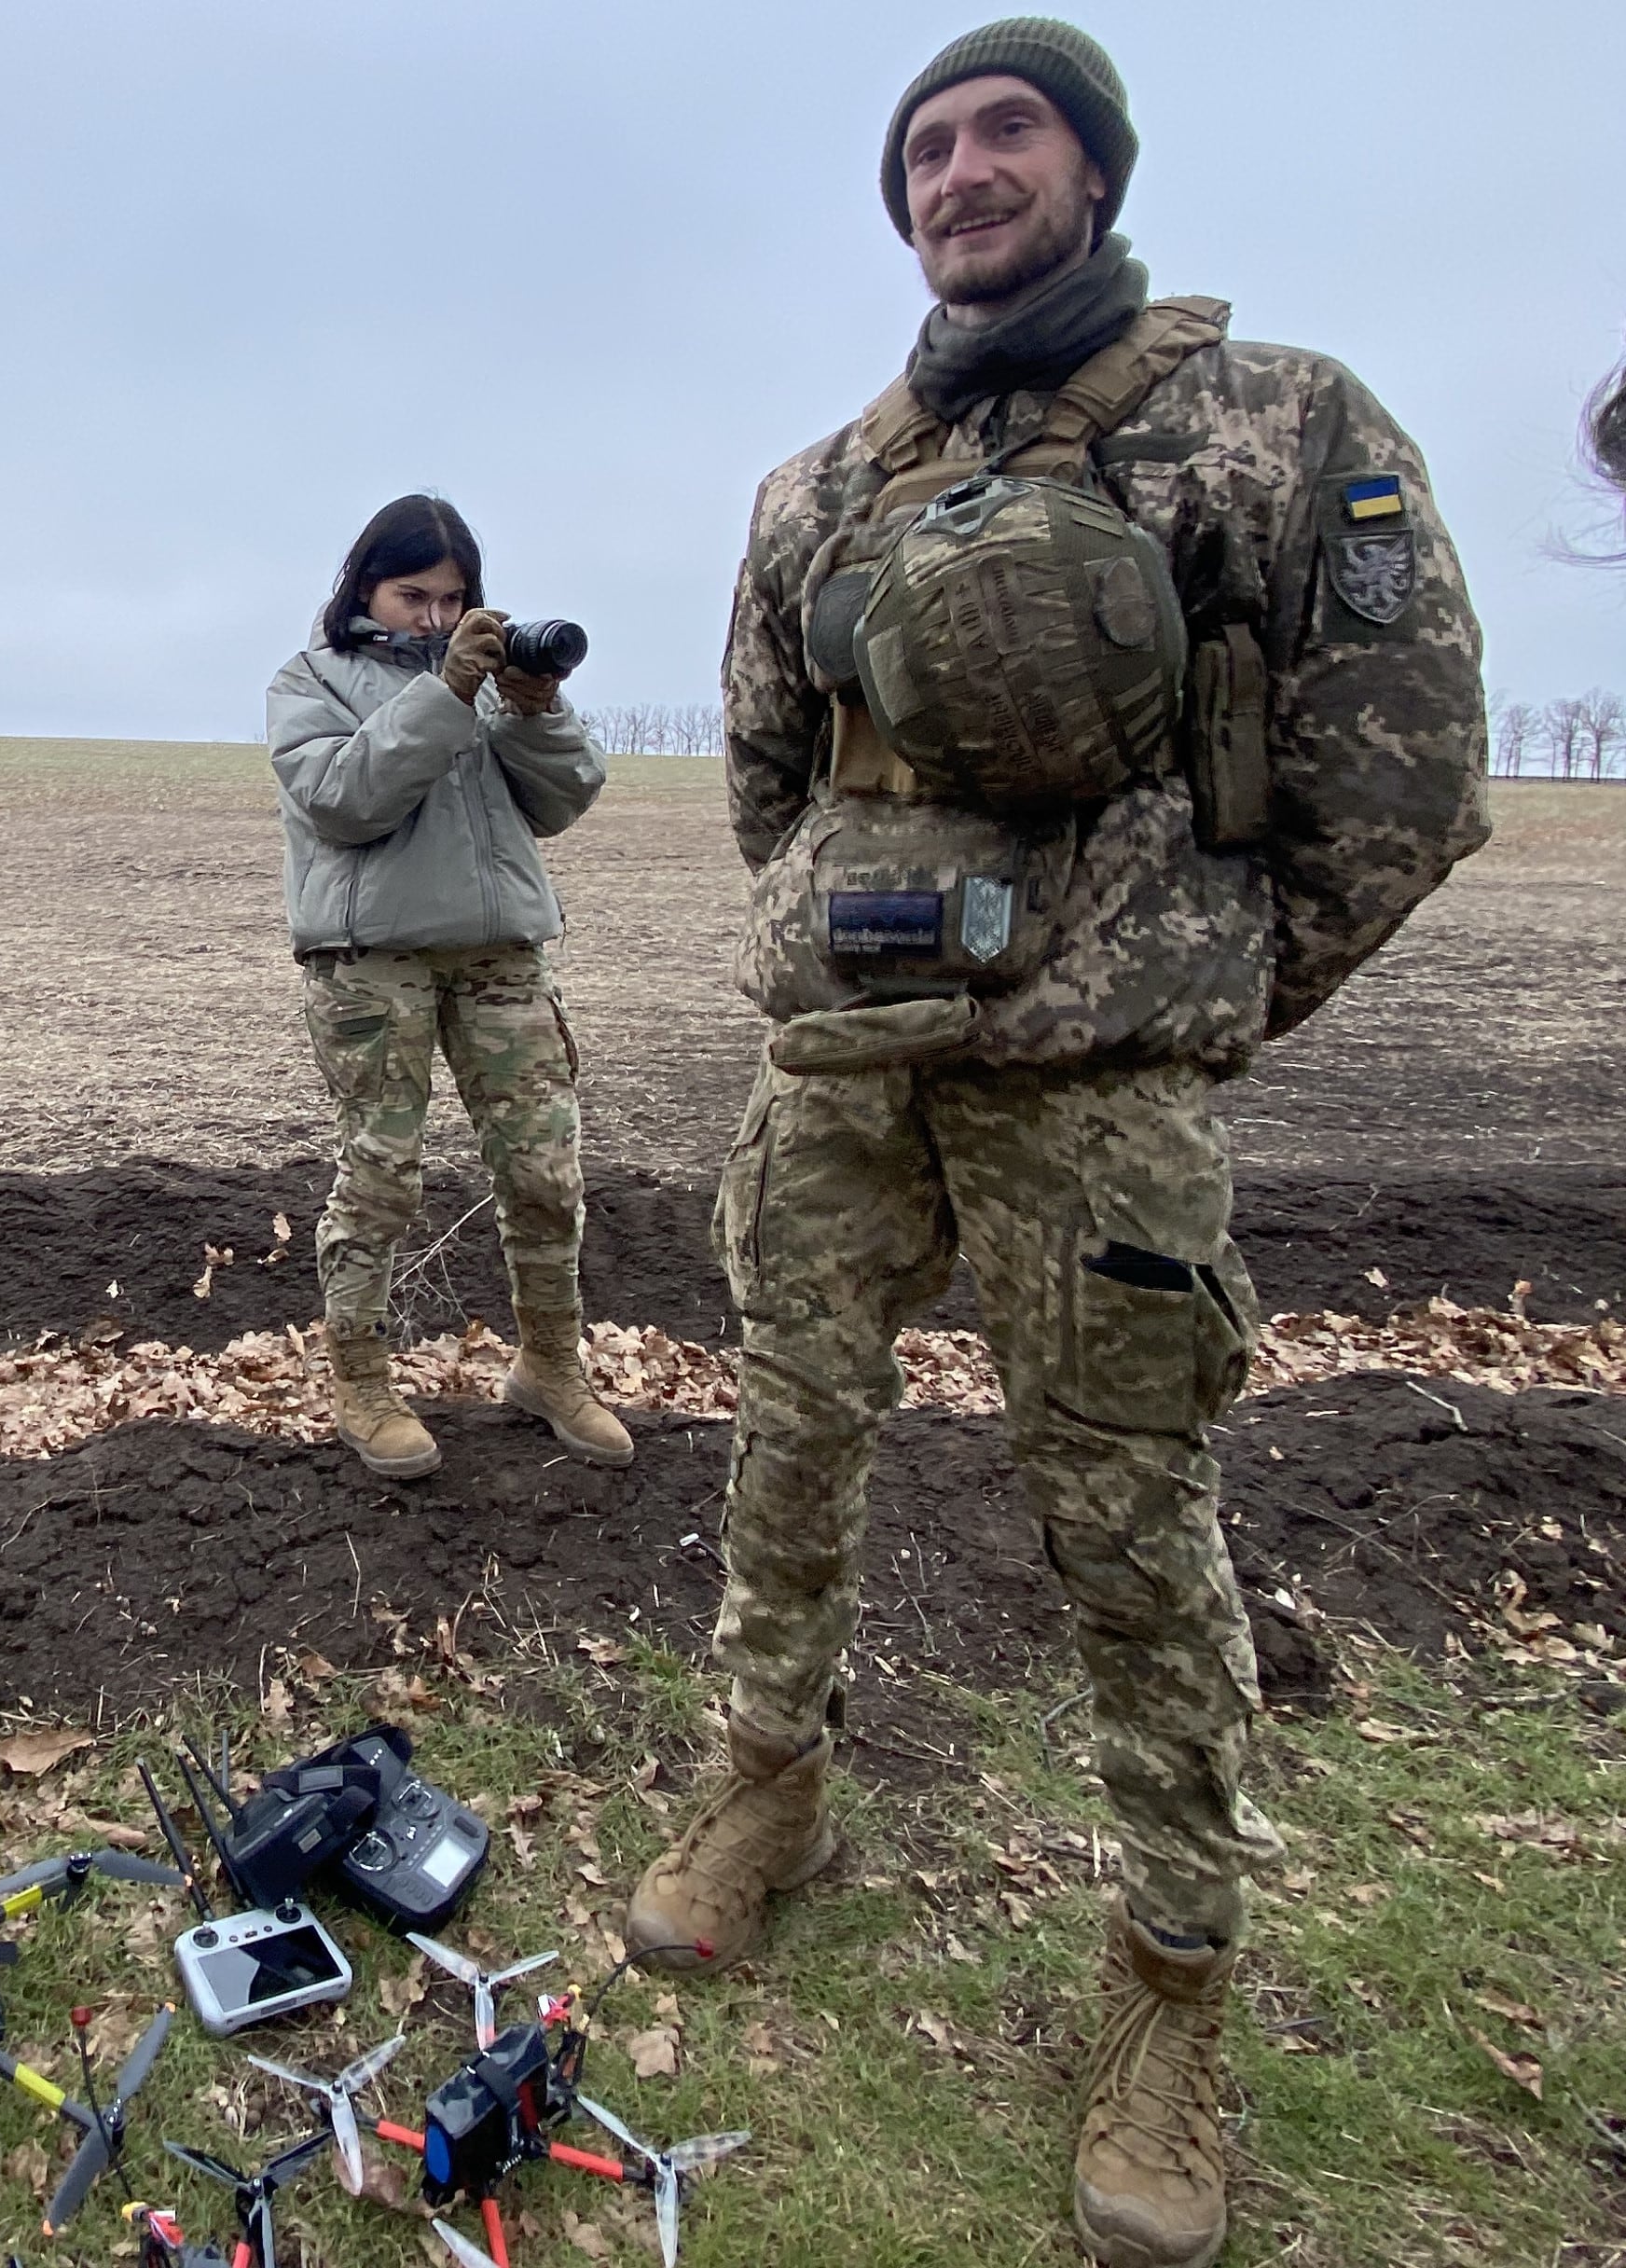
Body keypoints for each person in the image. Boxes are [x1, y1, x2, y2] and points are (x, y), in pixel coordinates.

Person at [617, 22, 1488, 2267]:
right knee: (787, 1442)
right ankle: (767, 1791)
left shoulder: (1282, 423)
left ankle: (1173, 1992)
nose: (960, 170)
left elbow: (1399, 770)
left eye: (1005, 131)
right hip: (842, 1069)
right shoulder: (819, 481)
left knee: (1128, 1521)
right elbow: (758, 774)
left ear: (1095, 168)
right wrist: (846, 948)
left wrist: (1193, 986)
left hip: (1097, 1100)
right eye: (925, 145)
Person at [267, 494, 629, 1478]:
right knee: (381, 1177)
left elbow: (564, 798)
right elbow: (345, 800)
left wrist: (533, 704)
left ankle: (551, 1365)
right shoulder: (311, 680)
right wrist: (445, 691)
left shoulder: (492, 682)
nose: (432, 617)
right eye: (412, 594)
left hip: (502, 953)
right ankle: (363, 1383)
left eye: (453, 597)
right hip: (372, 958)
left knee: (546, 1172)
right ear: (364, 588)